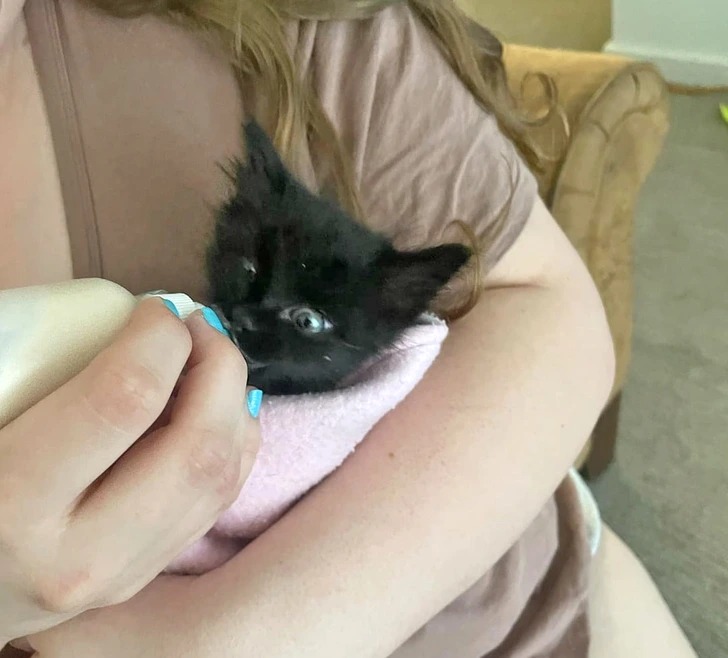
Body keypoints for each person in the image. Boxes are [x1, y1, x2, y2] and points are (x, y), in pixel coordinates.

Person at [0, 0, 697, 656]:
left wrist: (230, 637)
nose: (251, 312)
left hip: (526, 603)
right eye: (247, 274)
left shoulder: (291, 26)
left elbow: (542, 301)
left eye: (302, 319)